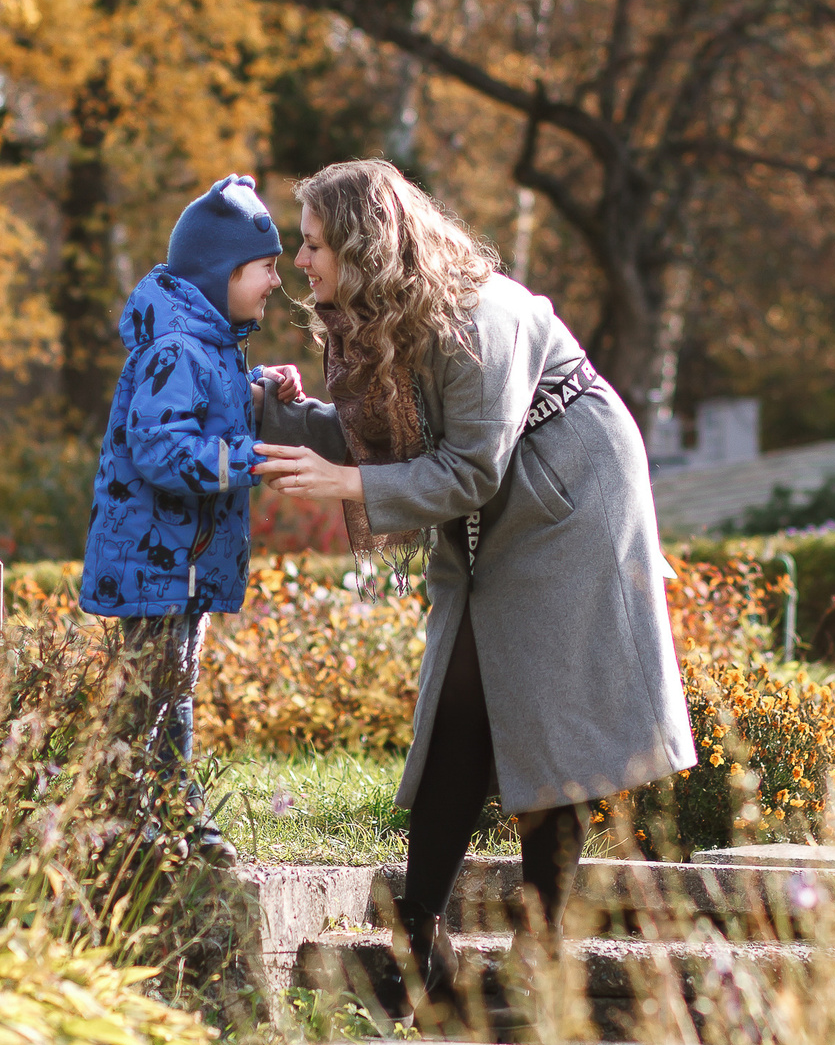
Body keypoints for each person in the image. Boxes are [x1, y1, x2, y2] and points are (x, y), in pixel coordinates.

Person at [253, 159, 696, 1002]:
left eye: (312, 243)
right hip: (499, 497)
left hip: (572, 495)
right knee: (459, 702)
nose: (300, 259)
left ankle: (539, 947)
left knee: (551, 713)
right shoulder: (382, 318)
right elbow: (384, 436)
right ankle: (421, 932)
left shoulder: (475, 319)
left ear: (362, 244)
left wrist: (348, 483)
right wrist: (266, 407)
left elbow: (469, 467)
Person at [79, 175, 299, 865]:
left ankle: (172, 807)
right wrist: (248, 457)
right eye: (266, 268)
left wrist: (261, 388)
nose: (275, 282)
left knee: (173, 687)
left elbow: (208, 407)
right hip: (153, 559)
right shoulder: (176, 347)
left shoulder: (209, 344)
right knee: (148, 692)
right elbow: (161, 447)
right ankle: (122, 818)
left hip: (182, 561)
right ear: (222, 272)